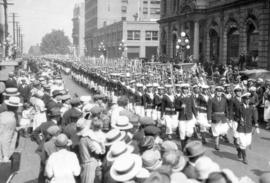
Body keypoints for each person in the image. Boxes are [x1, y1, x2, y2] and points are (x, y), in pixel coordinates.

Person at [235, 93, 258, 164]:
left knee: (248, 142)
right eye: (246, 99)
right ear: (243, 99)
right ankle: (244, 157)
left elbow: (255, 115)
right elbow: (236, 117)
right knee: (243, 143)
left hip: (248, 127)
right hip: (241, 127)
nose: (247, 100)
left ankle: (239, 150)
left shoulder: (252, 107)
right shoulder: (239, 107)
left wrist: (256, 123)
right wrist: (239, 120)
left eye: (248, 99)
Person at [0, 96, 22, 162]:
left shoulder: (2, 115)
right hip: (2, 150)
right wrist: (6, 155)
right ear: (17, 107)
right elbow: (6, 138)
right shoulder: (11, 119)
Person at [207, 86, 229, 151]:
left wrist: (227, 117)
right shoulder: (211, 99)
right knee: (216, 131)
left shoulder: (224, 100)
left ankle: (220, 138)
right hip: (215, 117)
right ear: (215, 92)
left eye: (220, 92)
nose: (219, 93)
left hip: (223, 117)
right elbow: (209, 110)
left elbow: (226, 109)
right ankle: (217, 144)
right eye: (218, 91)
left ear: (222, 92)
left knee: (224, 130)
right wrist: (209, 118)